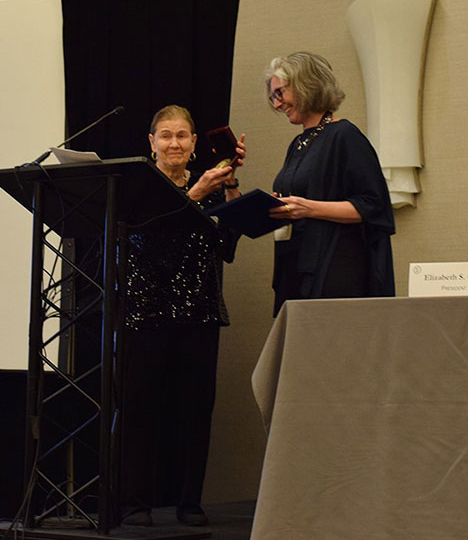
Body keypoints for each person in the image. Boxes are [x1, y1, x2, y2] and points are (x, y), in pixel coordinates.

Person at [119, 105, 245, 527]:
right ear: (150, 142)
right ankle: (136, 503)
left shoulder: (210, 185)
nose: (175, 143)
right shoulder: (136, 186)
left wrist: (230, 187)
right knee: (140, 410)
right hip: (146, 313)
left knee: (195, 411)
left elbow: (226, 247)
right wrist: (194, 195)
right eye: (166, 135)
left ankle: (190, 501)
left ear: (194, 145)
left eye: (183, 136)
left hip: (199, 312)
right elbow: (143, 238)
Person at [265, 52, 395, 316]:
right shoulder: (298, 143)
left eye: (280, 93)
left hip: (335, 266)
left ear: (305, 84)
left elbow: (373, 206)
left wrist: (308, 208)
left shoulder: (345, 135)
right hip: (296, 262)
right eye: (273, 97)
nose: (277, 104)